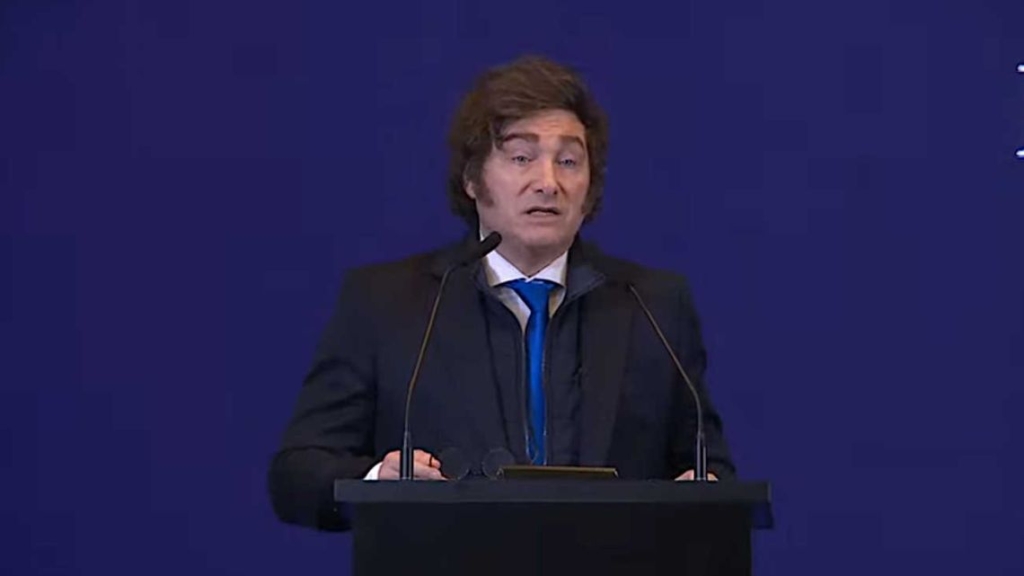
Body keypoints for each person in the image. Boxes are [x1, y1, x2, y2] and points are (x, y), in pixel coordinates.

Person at [268, 55, 735, 530]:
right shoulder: (386, 303)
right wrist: (376, 480)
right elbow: (296, 474)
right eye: (521, 158)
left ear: (591, 187)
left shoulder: (652, 304)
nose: (548, 183)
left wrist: (703, 490)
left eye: (569, 161)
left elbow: (709, 470)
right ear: (472, 179)